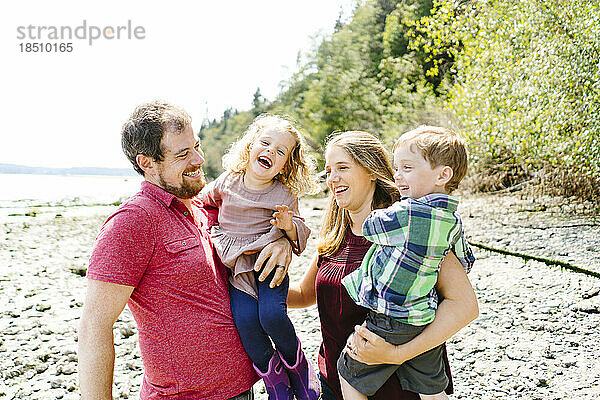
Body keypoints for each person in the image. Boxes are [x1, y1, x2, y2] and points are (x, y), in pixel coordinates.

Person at [78, 101, 293, 400]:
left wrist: (283, 239)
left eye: (197, 146)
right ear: (147, 163)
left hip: (245, 389)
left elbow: (247, 277)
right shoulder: (133, 222)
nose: (199, 159)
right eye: (183, 154)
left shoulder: (208, 211)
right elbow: (94, 327)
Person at [287, 131, 479, 400]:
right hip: (336, 384)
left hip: (400, 391)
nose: (332, 178)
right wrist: (245, 282)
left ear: (372, 171)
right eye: (329, 170)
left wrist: (397, 354)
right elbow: (305, 295)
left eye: (342, 168)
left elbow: (465, 306)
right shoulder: (335, 237)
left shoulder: (416, 230)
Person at [198, 114, 321, 400]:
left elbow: (300, 228)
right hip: (238, 268)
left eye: (280, 151)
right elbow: (201, 202)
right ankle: (274, 379)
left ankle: (298, 367)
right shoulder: (228, 182)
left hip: (268, 265)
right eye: (265, 143)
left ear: (286, 164)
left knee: (272, 315)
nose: (270, 152)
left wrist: (287, 226)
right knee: (246, 323)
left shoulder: (283, 193)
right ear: (250, 146)